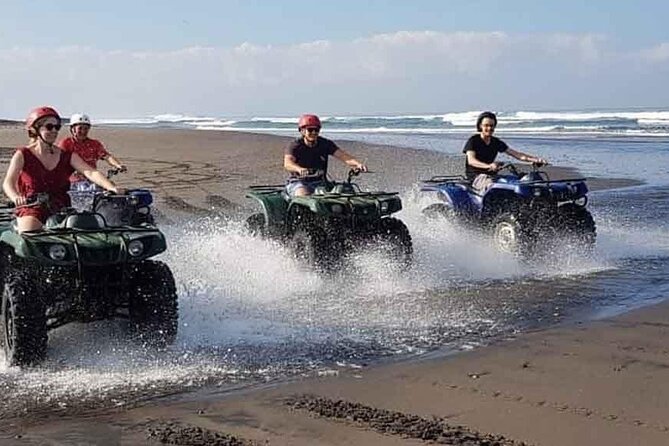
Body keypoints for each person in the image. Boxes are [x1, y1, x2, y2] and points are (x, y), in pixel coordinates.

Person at [3, 106, 120, 233]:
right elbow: (8, 182)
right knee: (29, 231)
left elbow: (90, 172)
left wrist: (111, 187)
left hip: (61, 207)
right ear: (35, 129)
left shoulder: (66, 155)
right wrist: (16, 197)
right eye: (49, 127)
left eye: (57, 127)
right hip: (32, 206)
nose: (54, 131)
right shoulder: (23, 154)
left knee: (87, 227)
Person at [283, 114, 367, 196]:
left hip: (320, 182)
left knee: (344, 191)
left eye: (316, 130)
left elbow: (343, 156)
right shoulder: (295, 145)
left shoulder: (325, 144)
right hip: (298, 182)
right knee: (303, 194)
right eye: (310, 130)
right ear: (302, 131)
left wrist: (358, 164)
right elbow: (288, 163)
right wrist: (299, 169)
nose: (314, 132)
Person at [464, 111, 548, 193]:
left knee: (520, 181)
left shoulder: (496, 142)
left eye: (492, 126)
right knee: (493, 187)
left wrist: (535, 160)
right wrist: (488, 166)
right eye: (486, 125)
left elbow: (517, 155)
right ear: (480, 126)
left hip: (492, 175)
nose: (489, 128)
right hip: (476, 177)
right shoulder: (473, 141)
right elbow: (472, 161)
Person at [58, 113, 126, 183]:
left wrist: (118, 165)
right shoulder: (66, 143)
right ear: (73, 129)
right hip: (71, 182)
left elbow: (107, 156)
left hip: (91, 180)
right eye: (80, 128)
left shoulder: (94, 144)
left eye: (86, 128)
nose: (83, 131)